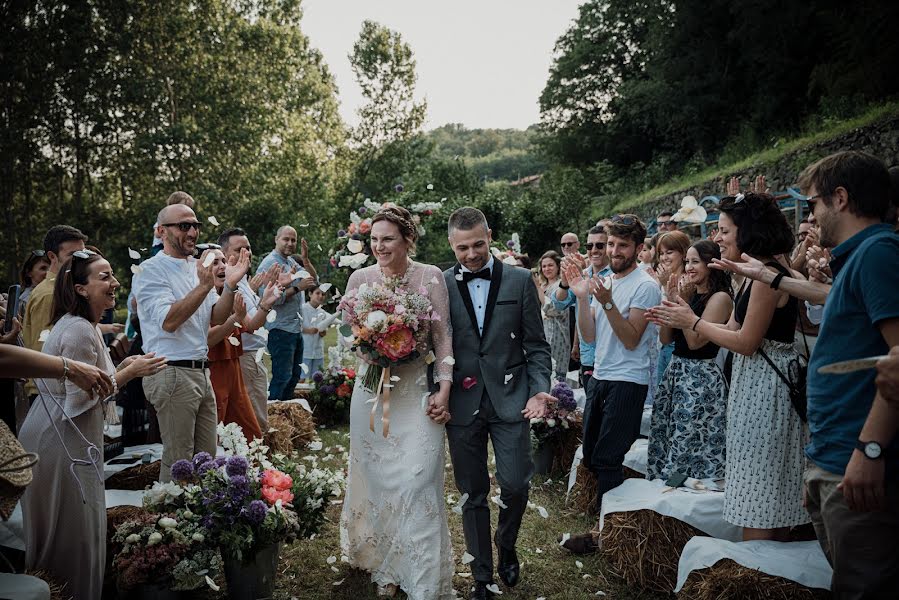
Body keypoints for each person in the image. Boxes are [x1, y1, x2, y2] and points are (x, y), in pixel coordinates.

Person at [718, 152, 899, 594]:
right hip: (833, 454)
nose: (812, 216)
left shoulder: (878, 253)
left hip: (855, 458)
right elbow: (825, 292)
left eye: (814, 203)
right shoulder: (857, 256)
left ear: (840, 198)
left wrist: (868, 452)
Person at [649, 192, 808, 541]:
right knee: (755, 480)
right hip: (752, 385)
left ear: (747, 231)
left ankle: (760, 562)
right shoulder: (752, 275)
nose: (717, 238)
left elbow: (746, 342)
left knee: (762, 485)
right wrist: (682, 313)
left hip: (768, 389)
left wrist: (692, 322)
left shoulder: (768, 276)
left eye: (723, 230)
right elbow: (731, 330)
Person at [20, 249, 165, 600]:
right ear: (81, 289)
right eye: (104, 277)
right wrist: (129, 372)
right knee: (74, 533)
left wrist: (123, 365)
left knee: (77, 529)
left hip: (63, 434)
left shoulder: (84, 326)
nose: (114, 283)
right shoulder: (80, 330)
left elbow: (93, 382)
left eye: (112, 275)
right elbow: (79, 398)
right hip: (61, 441)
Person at [340, 206, 455, 600]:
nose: (379, 247)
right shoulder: (360, 278)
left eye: (387, 239)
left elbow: (443, 338)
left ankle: (420, 574)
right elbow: (352, 337)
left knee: (418, 479)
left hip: (416, 394)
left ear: (408, 239)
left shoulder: (431, 276)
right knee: (377, 480)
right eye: (374, 239)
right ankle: (384, 566)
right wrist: (371, 346)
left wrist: (445, 387)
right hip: (372, 393)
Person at [443, 207, 552, 599]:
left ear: (490, 236)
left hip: (512, 400)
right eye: (462, 248)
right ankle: (482, 577)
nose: (471, 254)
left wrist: (540, 388)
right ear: (451, 245)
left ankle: (506, 542)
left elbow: (536, 344)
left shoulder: (521, 280)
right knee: (472, 493)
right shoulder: (439, 284)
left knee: (516, 485)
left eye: (478, 245)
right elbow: (435, 349)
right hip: (461, 401)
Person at [562, 215, 661, 554]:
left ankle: (605, 537)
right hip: (601, 376)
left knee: (608, 457)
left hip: (628, 380)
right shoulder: (605, 281)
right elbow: (590, 335)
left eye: (622, 245)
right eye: (611, 245)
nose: (615, 251)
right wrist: (580, 297)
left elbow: (632, 339)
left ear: (638, 248)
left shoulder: (645, 285)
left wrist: (605, 302)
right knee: (591, 453)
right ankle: (605, 526)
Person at [134, 203, 250, 482]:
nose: (193, 232)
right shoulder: (151, 270)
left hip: (200, 370)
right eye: (184, 226)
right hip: (171, 371)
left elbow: (215, 315)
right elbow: (169, 321)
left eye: (196, 225)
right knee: (179, 462)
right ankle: (167, 522)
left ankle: (200, 522)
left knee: (206, 460)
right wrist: (203, 286)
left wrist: (231, 285)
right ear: (161, 231)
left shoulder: (195, 267)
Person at [646, 240, 733, 481]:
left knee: (691, 437)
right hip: (676, 371)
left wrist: (683, 306)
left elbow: (696, 342)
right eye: (687, 262)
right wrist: (672, 300)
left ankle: (688, 491)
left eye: (695, 261)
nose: (689, 267)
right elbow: (665, 338)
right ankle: (668, 486)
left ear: (711, 264)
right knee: (671, 432)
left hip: (701, 377)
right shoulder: (689, 293)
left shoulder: (720, 298)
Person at [206, 249, 277, 442]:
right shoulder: (203, 296)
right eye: (214, 262)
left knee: (249, 428)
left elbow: (251, 325)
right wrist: (234, 319)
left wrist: (265, 304)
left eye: (223, 261)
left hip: (234, 366)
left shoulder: (234, 294)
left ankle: (251, 469)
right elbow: (209, 339)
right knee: (216, 429)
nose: (222, 266)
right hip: (214, 368)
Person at [218, 227, 279, 433]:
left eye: (248, 247)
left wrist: (265, 292)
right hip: (245, 357)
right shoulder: (230, 283)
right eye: (239, 249)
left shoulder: (242, 280)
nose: (247, 252)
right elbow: (251, 325)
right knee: (254, 419)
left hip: (253, 355)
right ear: (225, 254)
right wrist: (266, 304)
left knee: (258, 412)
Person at [256, 226, 317, 400]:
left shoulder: (290, 262)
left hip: (294, 328)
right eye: (286, 239)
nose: (290, 243)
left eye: (293, 240)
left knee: (294, 376)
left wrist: (305, 259)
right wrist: (297, 288)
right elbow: (268, 298)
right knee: (282, 377)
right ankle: (274, 415)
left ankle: (286, 415)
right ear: (276, 239)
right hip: (280, 330)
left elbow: (313, 280)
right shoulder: (270, 264)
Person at [552, 226, 611, 387]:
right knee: (591, 407)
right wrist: (564, 283)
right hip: (588, 355)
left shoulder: (616, 275)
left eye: (600, 245)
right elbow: (559, 303)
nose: (594, 250)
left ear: (610, 246)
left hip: (612, 356)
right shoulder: (581, 273)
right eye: (590, 246)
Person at [654, 230, 690, 382]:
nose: (664, 257)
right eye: (661, 253)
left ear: (683, 253)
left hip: (679, 348)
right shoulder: (663, 278)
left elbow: (680, 315)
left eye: (669, 252)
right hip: (662, 346)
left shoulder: (688, 281)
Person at [538, 250, 570, 380]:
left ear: (558, 266)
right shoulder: (543, 285)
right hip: (541, 335)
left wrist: (537, 290)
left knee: (556, 379)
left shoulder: (561, 285)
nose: (547, 269)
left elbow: (552, 310)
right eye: (544, 266)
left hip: (557, 336)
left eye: (550, 265)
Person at [300, 286, 333, 379]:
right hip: (305, 350)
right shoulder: (302, 309)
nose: (320, 296)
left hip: (318, 351)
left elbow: (324, 330)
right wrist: (308, 330)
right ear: (310, 294)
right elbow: (296, 326)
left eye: (323, 294)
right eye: (317, 293)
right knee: (302, 378)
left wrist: (323, 333)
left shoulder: (322, 312)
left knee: (318, 378)